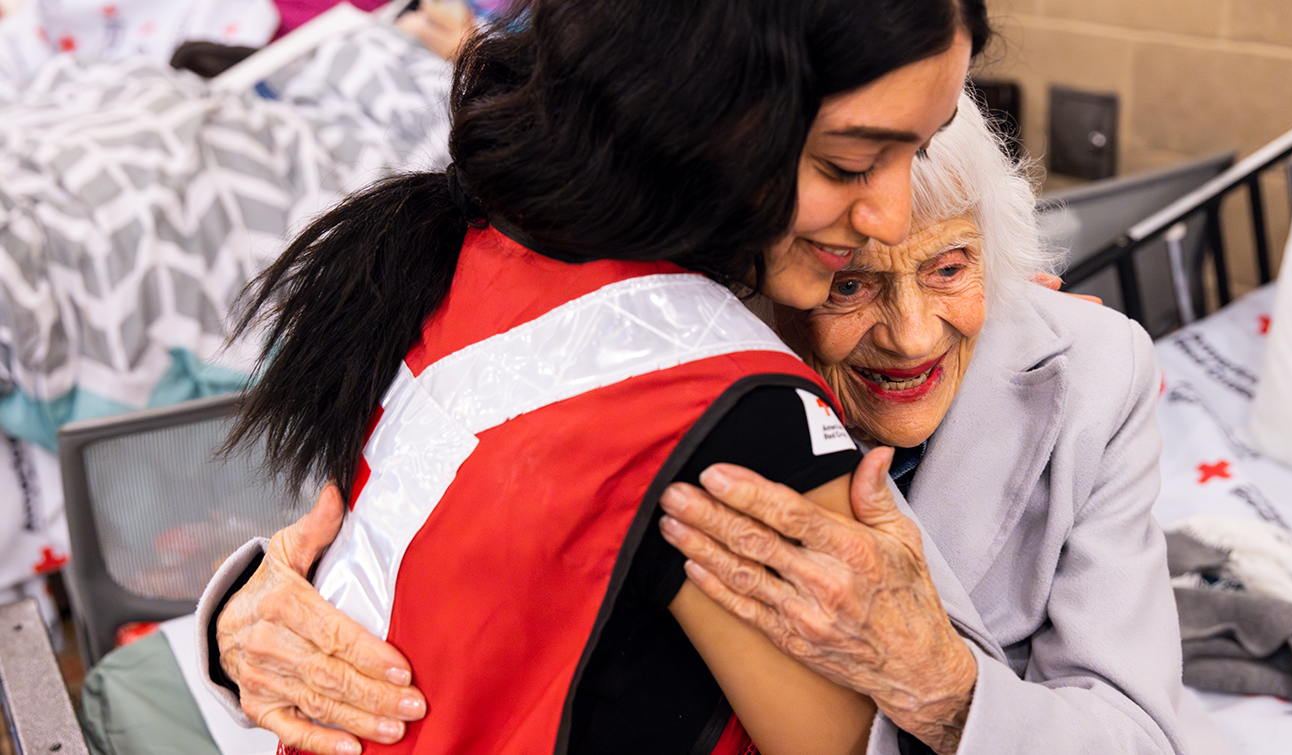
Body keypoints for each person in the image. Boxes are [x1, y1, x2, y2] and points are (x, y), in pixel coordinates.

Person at [198, 1, 988, 754]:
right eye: (849, 163)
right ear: (705, 108)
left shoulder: (456, 257)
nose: (891, 216)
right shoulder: (733, 411)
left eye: (918, 151)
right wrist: (945, 687)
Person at [658, 94, 1188, 753]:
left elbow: (1136, 736)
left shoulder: (1099, 368)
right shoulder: (711, 413)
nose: (911, 337)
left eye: (948, 268)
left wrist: (942, 686)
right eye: (850, 285)